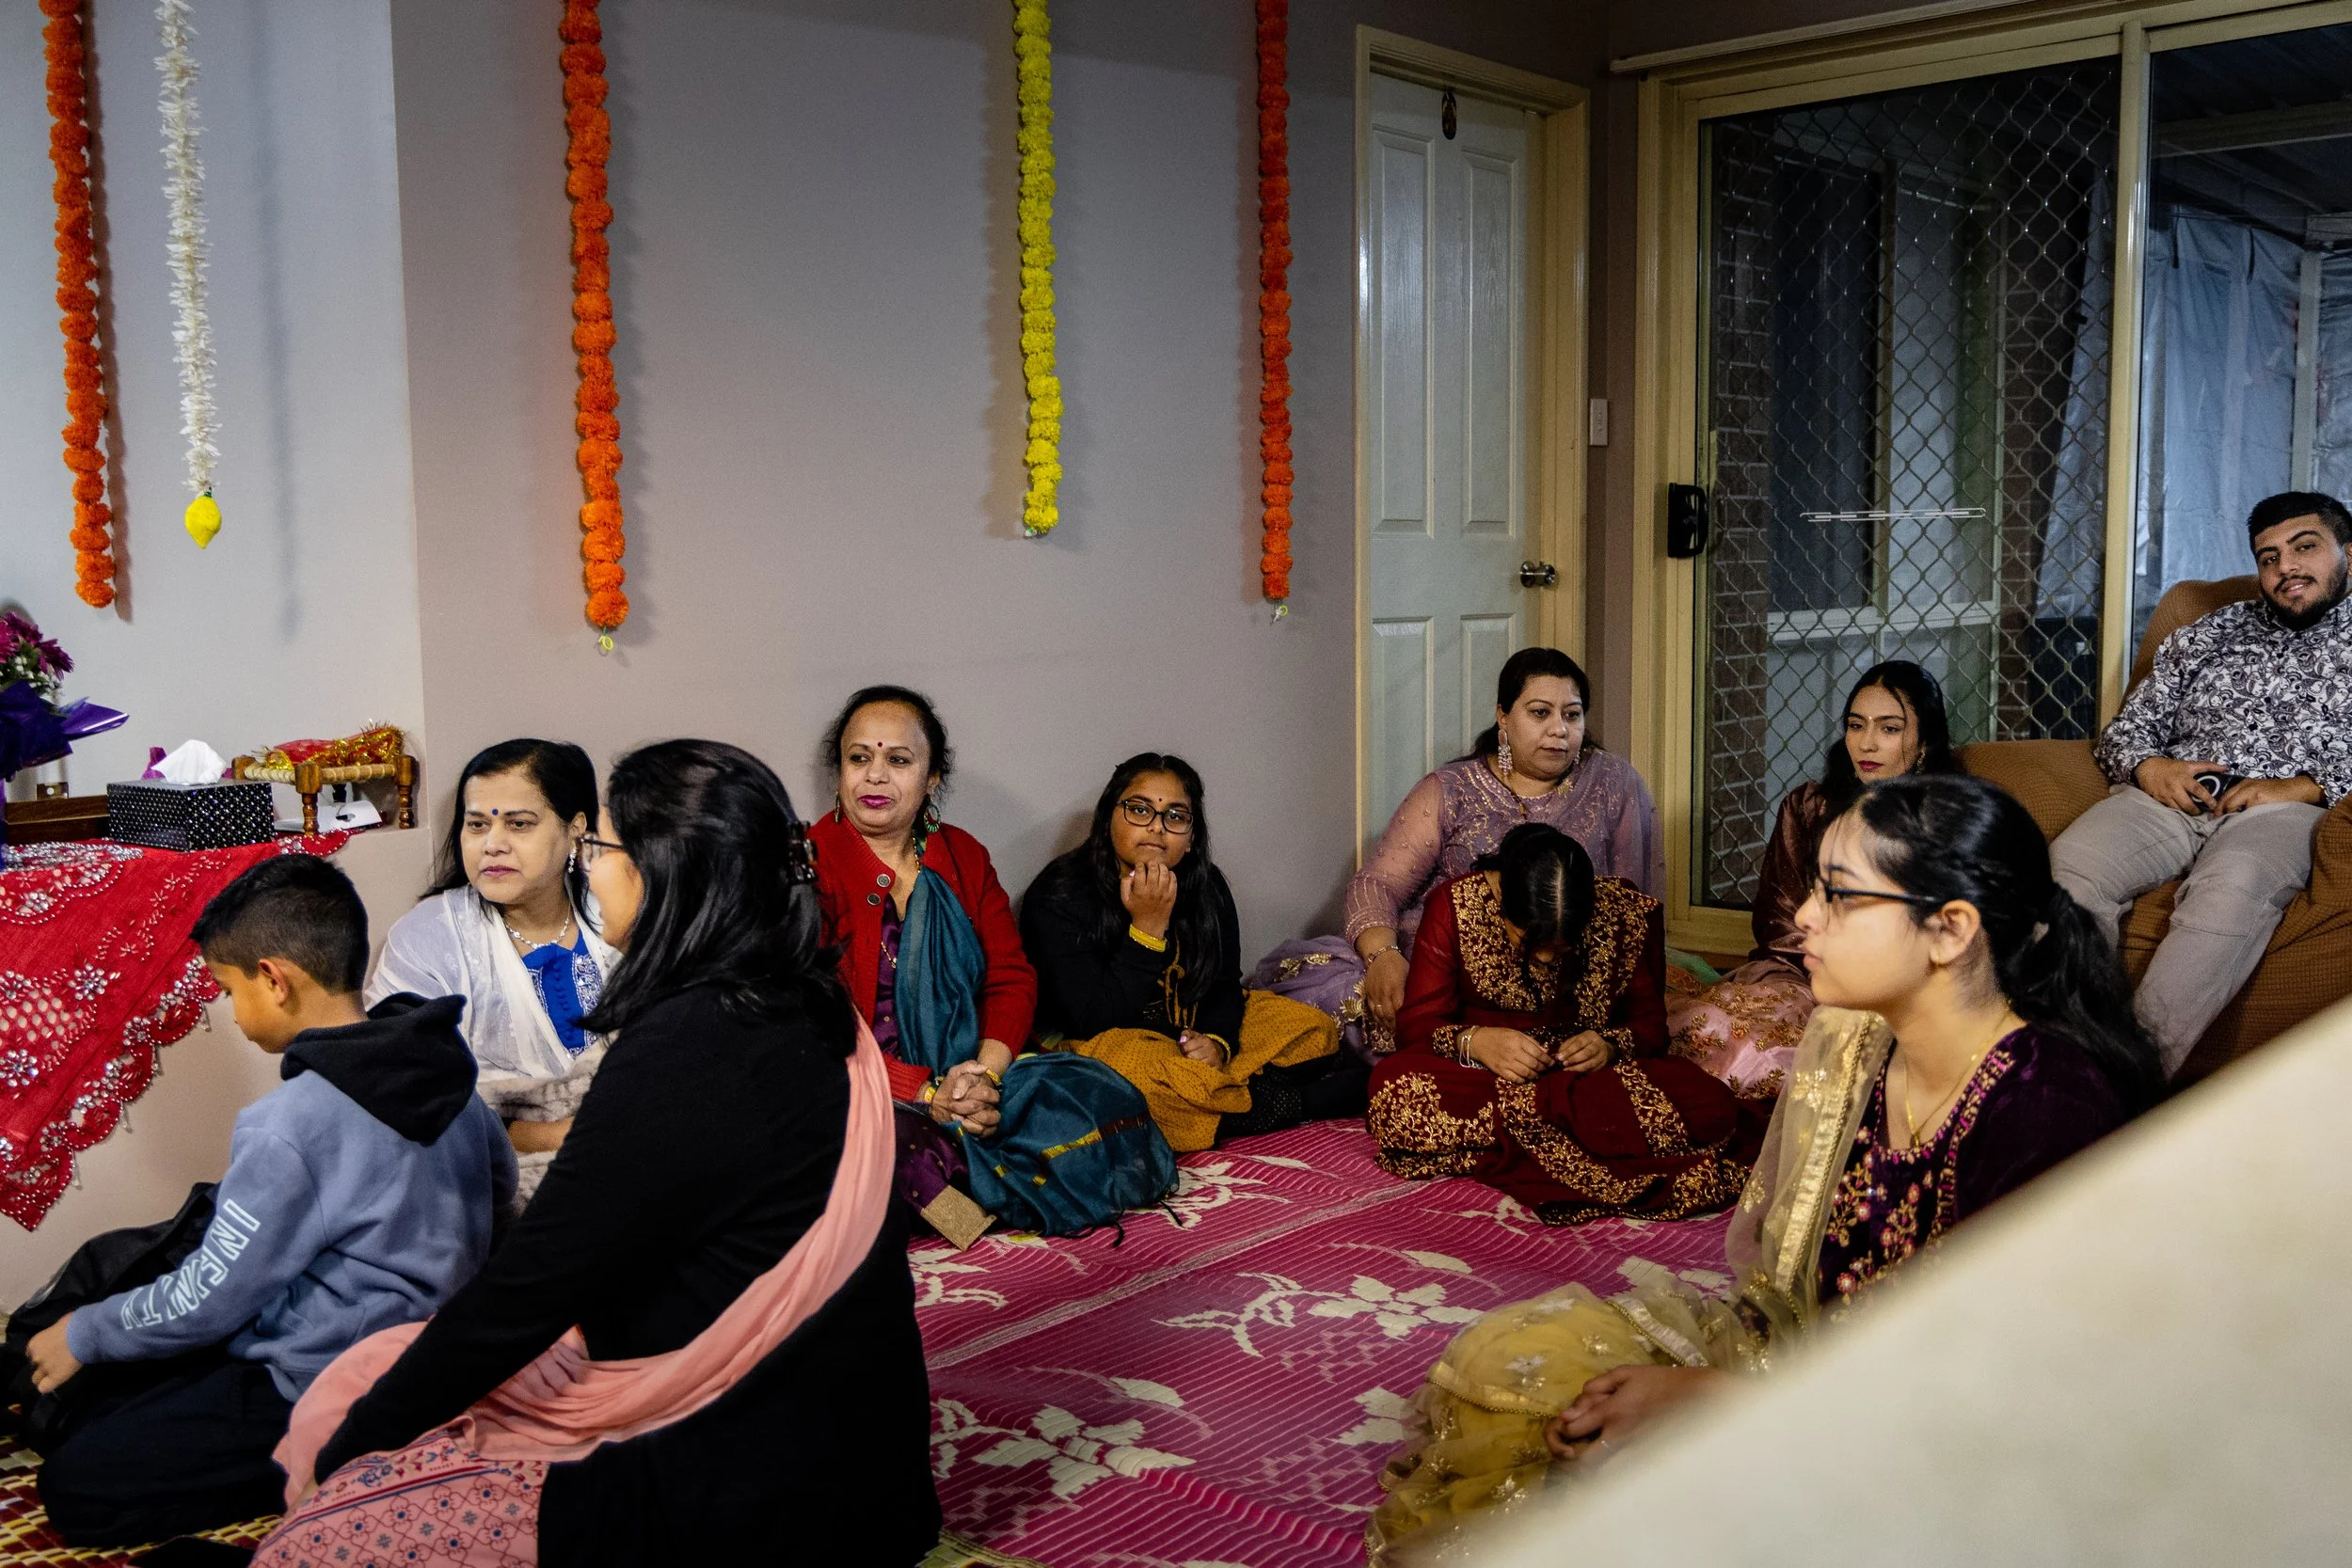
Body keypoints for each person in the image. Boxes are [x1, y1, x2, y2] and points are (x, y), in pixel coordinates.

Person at [1367, 775, 2160, 1559]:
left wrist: (1717, 1403)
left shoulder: (2047, 1104)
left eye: (1840, 895)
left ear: (1949, 930)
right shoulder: (1858, 1044)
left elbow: (2001, 1417)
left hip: (1955, 1470)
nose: (1804, 917)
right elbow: (1799, 1294)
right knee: (1519, 1374)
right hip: (1824, 1372)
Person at [259, 740, 940, 1567]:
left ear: (664, 874)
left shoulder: (693, 1042)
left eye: (601, 849)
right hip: (872, 1461)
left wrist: (353, 1457)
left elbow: (530, 1288)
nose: (590, 870)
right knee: (383, 1363)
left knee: (323, 1535)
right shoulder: (801, 992)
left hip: (756, 1484)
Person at [25, 857, 513, 1547]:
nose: (232, 1011)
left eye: (228, 990)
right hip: (431, 1365)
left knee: (74, 1485)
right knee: (89, 1407)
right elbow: (501, 1201)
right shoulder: (450, 1073)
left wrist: (85, 1331)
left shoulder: (291, 1121)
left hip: (314, 1384)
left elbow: (210, 1298)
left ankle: (329, 1476)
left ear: (274, 979)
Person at [2056, 490, 2352, 1076]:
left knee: (2232, 886)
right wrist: (2148, 767)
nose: (2284, 567)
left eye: (2305, 547)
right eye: (2268, 557)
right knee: (2071, 870)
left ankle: (2130, 1081)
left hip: (2283, 812)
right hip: (2170, 796)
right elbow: (2126, 730)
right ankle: (2066, 1062)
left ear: (2348, 553)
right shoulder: (2208, 631)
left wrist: (2306, 786)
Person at [1252, 648, 1663, 1060]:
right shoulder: (1453, 788)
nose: (1559, 730)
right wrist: (1383, 957)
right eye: (1540, 713)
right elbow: (1377, 884)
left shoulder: (1614, 782)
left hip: (1565, 969)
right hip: (1446, 965)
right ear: (1504, 716)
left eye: (1572, 715)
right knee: (1360, 1004)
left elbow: (1628, 906)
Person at [1363, 824, 1754, 1225]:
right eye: (1529, 941)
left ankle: (1522, 1134)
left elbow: (1651, 1027)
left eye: (1562, 947)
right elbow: (1418, 1025)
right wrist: (1477, 1043)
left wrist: (1609, 1045)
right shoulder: (1455, 905)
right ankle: (1588, 1136)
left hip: (1586, 1081)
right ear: (1501, 902)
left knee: (1710, 1103)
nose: (1547, 960)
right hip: (1482, 1075)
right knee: (1394, 1089)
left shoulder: (1626, 914)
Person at [1022, 753, 1367, 1151]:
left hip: (1188, 1035)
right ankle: (1288, 1103)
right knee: (1128, 1079)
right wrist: (1147, 928)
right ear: (1107, 819)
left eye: (1175, 817)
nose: (1155, 828)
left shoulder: (1205, 885)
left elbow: (1223, 986)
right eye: (1139, 810)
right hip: (1103, 1046)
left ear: (1190, 838)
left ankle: (1215, 1093)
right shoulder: (1059, 894)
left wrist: (1218, 1043)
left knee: (1309, 1028)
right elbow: (1092, 1021)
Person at [1668, 660, 1962, 1098]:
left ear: (1923, 742)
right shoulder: (1810, 806)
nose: (1867, 743)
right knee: (1705, 1027)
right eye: (1856, 725)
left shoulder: (1948, 820)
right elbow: (1779, 920)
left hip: (1894, 988)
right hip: (1798, 972)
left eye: (1889, 729)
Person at [811, 686, 1038, 1247]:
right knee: (881, 1146)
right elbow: (814, 1028)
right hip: (861, 1087)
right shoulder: (807, 864)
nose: (875, 777)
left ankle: (977, 1179)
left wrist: (982, 1078)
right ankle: (975, 1229)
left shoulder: (963, 856)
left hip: (968, 1078)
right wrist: (928, 1090)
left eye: (899, 760)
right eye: (858, 758)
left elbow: (1011, 980)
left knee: (1083, 1096)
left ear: (933, 776)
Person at [368, 738, 619, 1209]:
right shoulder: (428, 939)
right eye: (477, 824)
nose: (493, 844)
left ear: (576, 829)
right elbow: (405, 1095)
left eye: (519, 824)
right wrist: (550, 1136)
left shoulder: (619, 914)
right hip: (490, 1176)